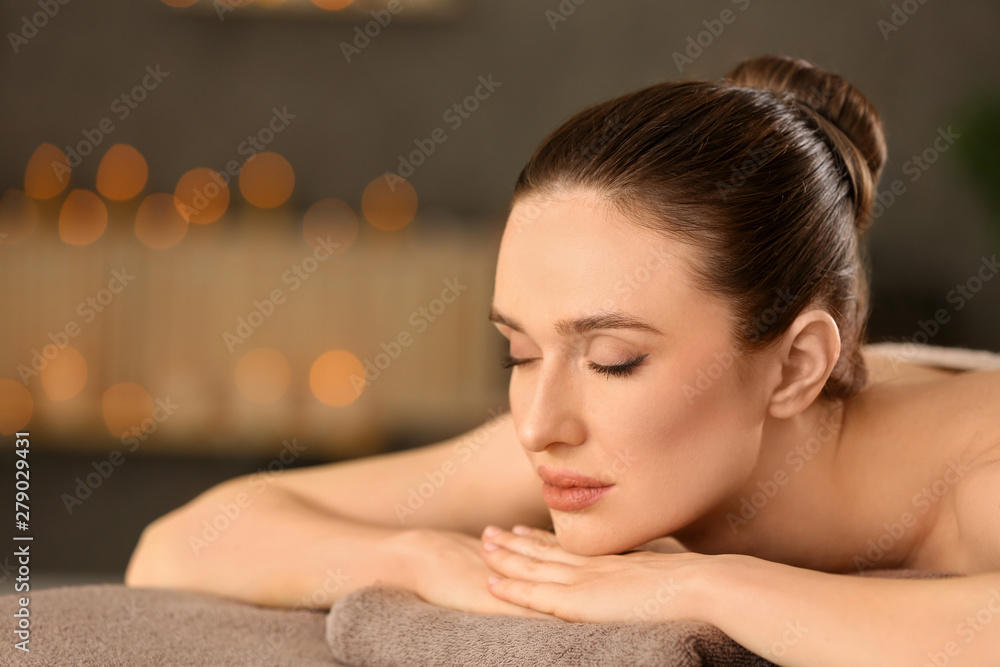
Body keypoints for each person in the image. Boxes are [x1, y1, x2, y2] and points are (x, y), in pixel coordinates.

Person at [126, 55, 1000, 664]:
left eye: (613, 358)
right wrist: (424, 558)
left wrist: (709, 586)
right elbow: (176, 547)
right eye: (518, 349)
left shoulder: (973, 475)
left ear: (795, 365)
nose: (538, 424)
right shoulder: (590, 437)